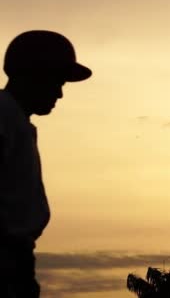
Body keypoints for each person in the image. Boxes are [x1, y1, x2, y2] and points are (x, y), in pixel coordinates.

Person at [0, 30, 92, 297]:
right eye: (56, 82)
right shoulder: (4, 114)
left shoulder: (16, 120)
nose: (60, 94)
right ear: (34, 75)